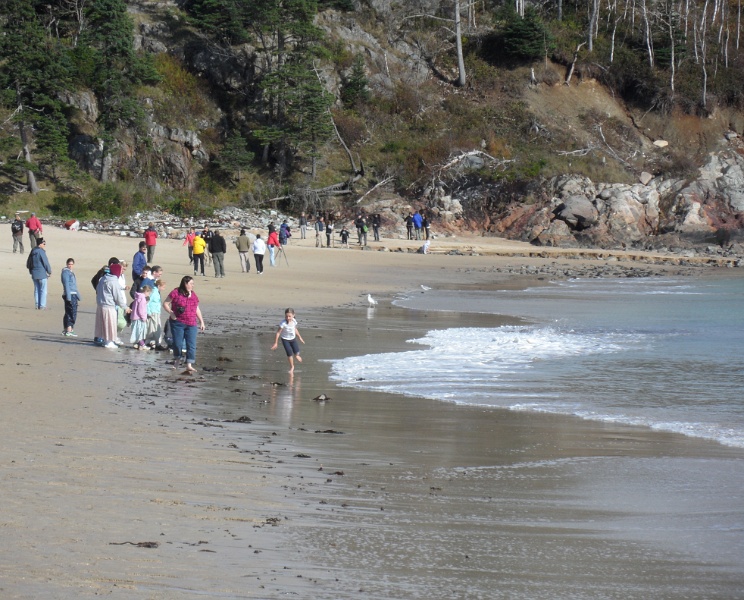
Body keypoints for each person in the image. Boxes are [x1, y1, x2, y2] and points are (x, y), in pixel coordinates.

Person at [163, 276, 205, 373]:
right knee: (177, 343)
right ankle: (177, 360)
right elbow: (165, 304)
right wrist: (171, 313)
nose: (193, 285)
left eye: (193, 284)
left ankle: (189, 364)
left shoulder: (193, 295)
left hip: (191, 323)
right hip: (178, 322)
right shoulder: (175, 292)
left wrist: (201, 321)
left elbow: (197, 309)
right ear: (185, 284)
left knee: (191, 345)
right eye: (191, 283)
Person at [94, 262, 130, 348]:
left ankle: (105, 341)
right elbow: (118, 297)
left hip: (101, 305)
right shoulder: (113, 281)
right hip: (109, 306)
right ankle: (109, 342)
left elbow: (98, 289)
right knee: (110, 325)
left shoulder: (103, 279)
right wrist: (125, 307)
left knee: (103, 325)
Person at [271, 308, 305, 374]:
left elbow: (295, 329)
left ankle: (296, 356)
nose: (288, 318)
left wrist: (300, 337)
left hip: (293, 339)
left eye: (289, 316)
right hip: (285, 339)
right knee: (289, 353)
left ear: (293, 315)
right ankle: (292, 367)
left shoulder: (294, 321)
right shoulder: (283, 323)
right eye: (286, 316)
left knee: (296, 352)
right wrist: (276, 343)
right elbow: (278, 333)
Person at [27, 238, 52, 310]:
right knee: (43, 290)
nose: (44, 245)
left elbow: (29, 263)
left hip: (34, 273)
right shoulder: (41, 252)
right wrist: (49, 271)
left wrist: (31, 271)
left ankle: (37, 304)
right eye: (44, 244)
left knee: (37, 289)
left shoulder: (33, 251)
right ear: (40, 244)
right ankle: (42, 305)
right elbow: (45, 262)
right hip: (41, 273)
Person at [61, 257, 81, 337]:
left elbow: (74, 286)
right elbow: (66, 285)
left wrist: (78, 296)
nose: (70, 266)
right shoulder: (66, 272)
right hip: (69, 294)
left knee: (69, 312)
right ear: (67, 264)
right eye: (69, 264)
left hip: (73, 294)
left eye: (72, 264)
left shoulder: (71, 272)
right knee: (71, 312)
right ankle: (69, 330)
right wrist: (69, 297)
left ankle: (67, 329)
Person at [146, 278, 166, 349]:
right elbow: (147, 302)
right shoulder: (154, 292)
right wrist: (148, 312)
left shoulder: (157, 292)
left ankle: (156, 343)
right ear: (159, 286)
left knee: (157, 328)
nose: (164, 289)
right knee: (152, 328)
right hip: (152, 313)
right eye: (163, 287)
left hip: (157, 313)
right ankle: (150, 342)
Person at [129, 285, 152, 350]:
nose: (149, 294)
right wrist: (144, 317)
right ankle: (142, 345)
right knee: (140, 333)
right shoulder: (142, 299)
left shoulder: (137, 297)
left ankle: (137, 344)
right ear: (146, 291)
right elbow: (141, 309)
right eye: (149, 293)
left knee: (136, 332)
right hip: (139, 318)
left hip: (134, 317)